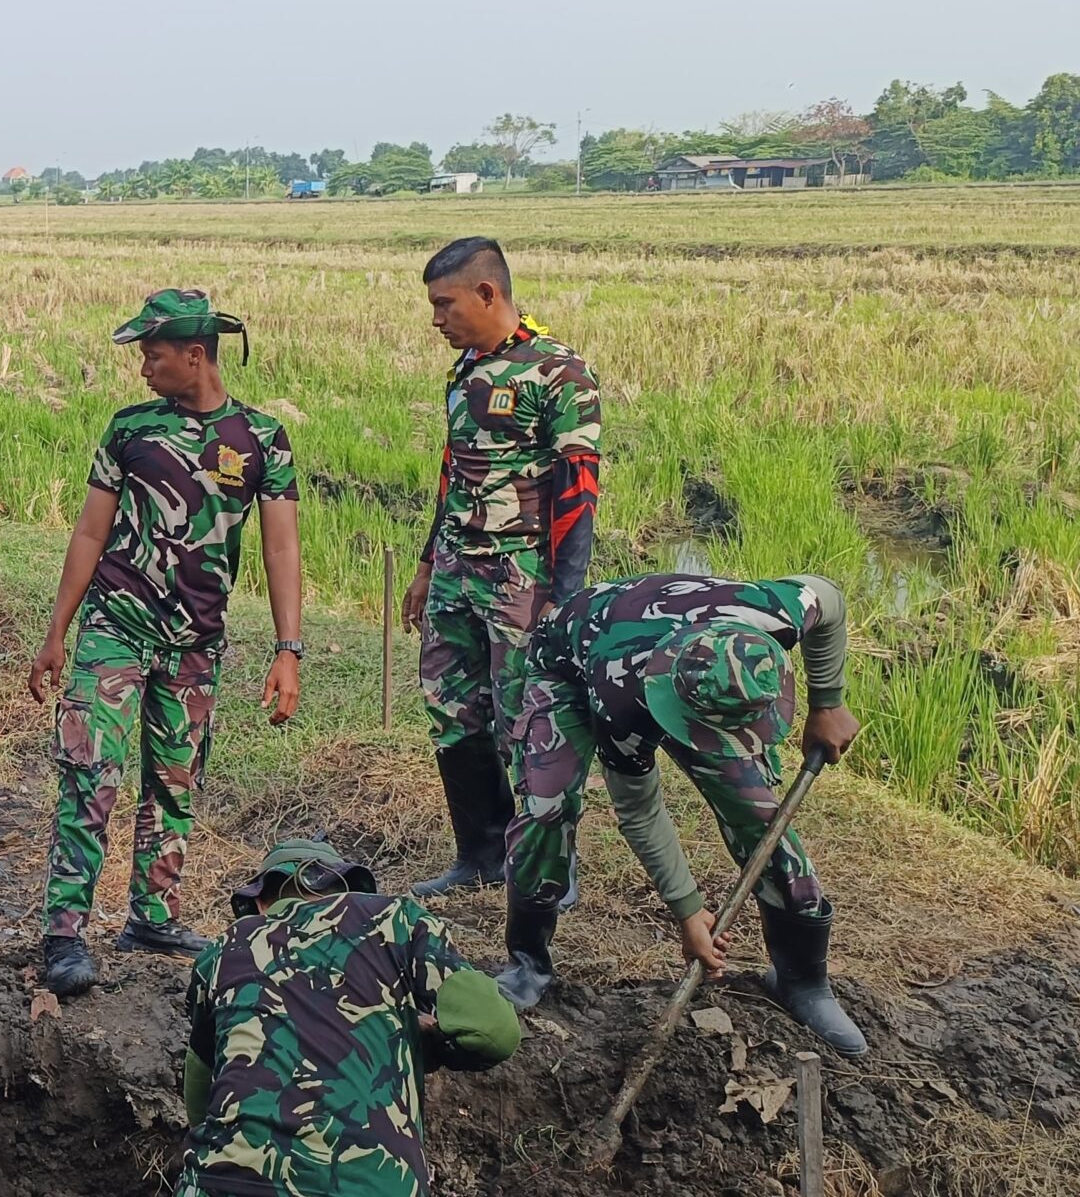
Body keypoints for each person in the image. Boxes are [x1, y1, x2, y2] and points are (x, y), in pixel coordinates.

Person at [30, 289, 305, 999]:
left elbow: (281, 548)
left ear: (194, 354)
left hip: (195, 647)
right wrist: (57, 631)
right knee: (91, 777)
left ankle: (153, 915)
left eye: (152, 355)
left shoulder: (260, 440)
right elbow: (91, 532)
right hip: (113, 634)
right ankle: (64, 934)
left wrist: (288, 648)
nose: (143, 368)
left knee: (174, 787)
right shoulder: (131, 430)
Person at [497, 570, 866, 1054]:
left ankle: (802, 979)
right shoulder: (619, 695)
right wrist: (689, 914)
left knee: (759, 816)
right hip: (571, 659)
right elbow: (638, 809)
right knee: (548, 807)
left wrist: (827, 702)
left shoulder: (773, 609)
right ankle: (528, 962)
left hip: (693, 661)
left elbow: (832, 595)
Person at [399, 237, 601, 899]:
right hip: (458, 570)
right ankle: (480, 854)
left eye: (444, 304)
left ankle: (552, 867)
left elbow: (579, 489)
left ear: (488, 294)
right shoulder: (463, 372)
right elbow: (452, 474)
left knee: (531, 721)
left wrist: (562, 599)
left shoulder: (559, 373)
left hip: (522, 577)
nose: (436, 319)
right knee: (453, 712)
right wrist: (428, 565)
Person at [177, 838, 519, 1197]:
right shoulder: (394, 919)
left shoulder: (224, 949)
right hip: (366, 1184)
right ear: (348, 890)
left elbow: (200, 1075)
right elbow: (495, 1031)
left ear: (262, 903)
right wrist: (427, 1045)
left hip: (221, 1182)